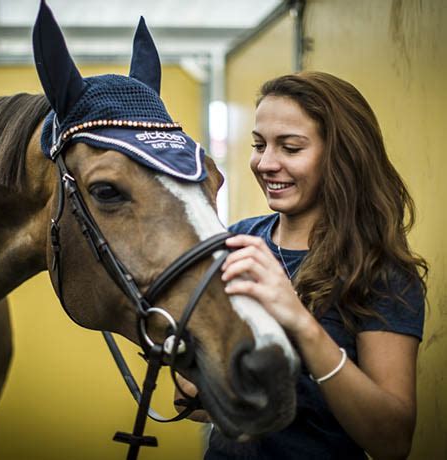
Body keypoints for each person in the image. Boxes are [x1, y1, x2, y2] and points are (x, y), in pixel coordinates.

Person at [178, 71, 428, 460]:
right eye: (259, 145)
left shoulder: (380, 271)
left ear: (341, 155)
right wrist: (193, 377)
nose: (266, 163)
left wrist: (299, 321)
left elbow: (392, 441)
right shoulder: (237, 242)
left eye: (290, 148)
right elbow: (202, 408)